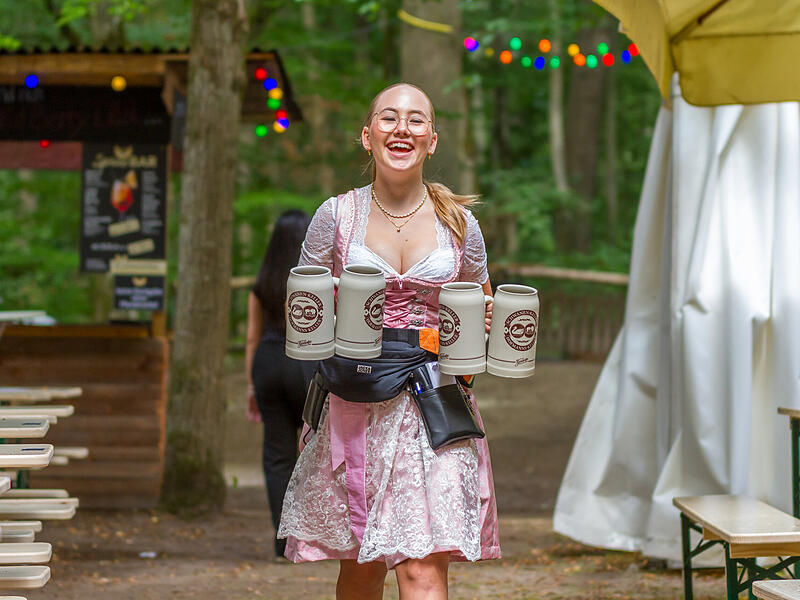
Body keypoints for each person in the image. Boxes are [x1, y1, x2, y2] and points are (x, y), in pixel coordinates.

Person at [278, 83, 500, 599]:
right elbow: (305, 309)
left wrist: (484, 321)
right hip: (356, 402)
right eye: (389, 118)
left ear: (432, 140)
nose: (402, 128)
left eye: (416, 120)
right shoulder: (336, 216)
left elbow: (481, 299)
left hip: (433, 404)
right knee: (361, 567)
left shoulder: (459, 223)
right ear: (367, 135)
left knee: (422, 567)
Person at [245, 209, 316, 559]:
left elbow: (251, 338)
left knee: (277, 455)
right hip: (304, 364)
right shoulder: (313, 280)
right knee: (318, 446)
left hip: (267, 363)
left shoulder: (262, 283)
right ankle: (315, 533)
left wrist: (250, 387)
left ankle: (282, 540)